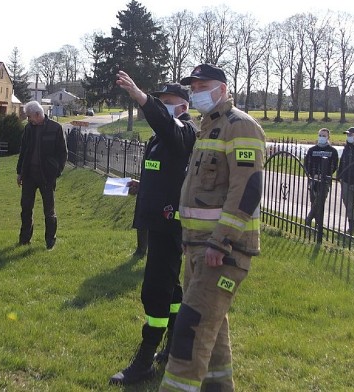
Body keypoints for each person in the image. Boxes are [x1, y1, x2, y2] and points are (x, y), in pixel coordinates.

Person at [158, 63, 266, 392]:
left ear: (221, 88)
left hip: (222, 251)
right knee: (211, 329)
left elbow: (247, 190)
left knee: (190, 328)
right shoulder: (208, 128)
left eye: (202, 86)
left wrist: (220, 243)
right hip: (197, 247)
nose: (196, 93)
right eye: (193, 88)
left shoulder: (241, 127)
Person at [109, 74, 197, 386]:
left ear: (183, 107)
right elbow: (168, 174)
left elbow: (167, 126)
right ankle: (173, 345)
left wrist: (141, 97)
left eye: (167, 103)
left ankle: (145, 358)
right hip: (156, 220)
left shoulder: (184, 131)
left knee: (155, 289)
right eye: (159, 102)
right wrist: (140, 185)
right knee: (171, 287)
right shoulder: (160, 138)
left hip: (169, 223)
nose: (161, 107)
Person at [16, 100, 68, 250]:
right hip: (29, 176)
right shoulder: (28, 129)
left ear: (38, 114)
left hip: (47, 176)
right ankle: (24, 239)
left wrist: (56, 172)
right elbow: (23, 151)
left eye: (29, 116)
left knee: (49, 211)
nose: (28, 119)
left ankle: (50, 241)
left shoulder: (55, 128)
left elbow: (62, 153)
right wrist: (19, 173)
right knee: (26, 208)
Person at [304, 128, 339, 239]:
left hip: (325, 181)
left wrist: (324, 175)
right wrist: (312, 174)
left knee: (320, 201)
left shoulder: (332, 151)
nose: (322, 137)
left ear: (328, 137)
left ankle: (309, 220)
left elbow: (334, 166)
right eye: (320, 135)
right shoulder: (312, 150)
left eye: (324, 136)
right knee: (314, 201)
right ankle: (318, 227)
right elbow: (306, 164)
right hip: (313, 180)